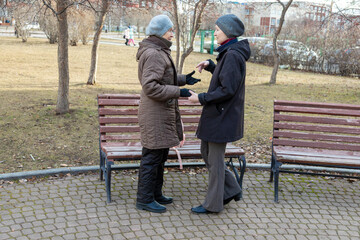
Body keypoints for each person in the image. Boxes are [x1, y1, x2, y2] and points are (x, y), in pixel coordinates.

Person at [136, 15, 201, 213]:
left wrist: (182, 80)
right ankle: (144, 199)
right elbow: (151, 87)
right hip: (155, 114)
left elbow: (162, 77)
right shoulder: (155, 53)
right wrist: (178, 92)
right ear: (162, 32)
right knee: (152, 157)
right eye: (171, 30)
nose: (173, 34)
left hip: (160, 114)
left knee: (160, 156)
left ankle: (155, 194)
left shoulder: (158, 50)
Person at [188, 14, 251, 214]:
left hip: (222, 116)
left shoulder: (232, 54)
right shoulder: (229, 52)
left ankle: (213, 204)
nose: (215, 33)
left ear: (228, 32)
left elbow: (227, 89)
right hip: (219, 115)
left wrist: (201, 98)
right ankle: (232, 188)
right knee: (206, 153)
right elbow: (226, 77)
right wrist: (211, 66)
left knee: (214, 160)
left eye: (217, 29)